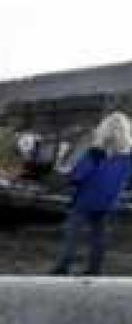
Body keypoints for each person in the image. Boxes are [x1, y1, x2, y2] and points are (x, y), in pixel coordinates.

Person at [51, 112, 132, 276]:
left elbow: (79, 176)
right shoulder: (128, 157)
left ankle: (62, 268)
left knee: (72, 235)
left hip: (85, 200)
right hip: (108, 201)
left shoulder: (96, 153)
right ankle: (94, 269)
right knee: (99, 237)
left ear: (104, 129)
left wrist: (66, 173)